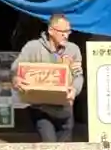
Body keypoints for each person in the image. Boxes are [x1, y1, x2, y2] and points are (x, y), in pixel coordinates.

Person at [16, 14, 84, 143]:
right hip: (41, 107)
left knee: (65, 148)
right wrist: (17, 79)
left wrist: (75, 89)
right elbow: (16, 69)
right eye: (62, 32)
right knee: (49, 145)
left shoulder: (73, 50)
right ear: (51, 30)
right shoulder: (33, 48)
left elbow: (78, 75)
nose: (66, 35)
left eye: (68, 31)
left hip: (64, 108)